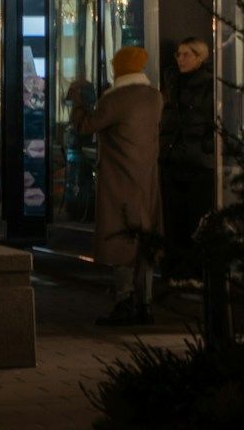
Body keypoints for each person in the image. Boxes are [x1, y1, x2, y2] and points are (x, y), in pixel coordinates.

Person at [71, 45, 163, 325]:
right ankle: (145, 300)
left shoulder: (118, 98)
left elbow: (86, 125)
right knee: (144, 238)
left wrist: (77, 100)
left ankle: (125, 301)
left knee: (121, 238)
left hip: (120, 179)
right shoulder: (154, 97)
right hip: (146, 178)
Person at [158, 37, 215, 287]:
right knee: (174, 218)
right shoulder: (172, 84)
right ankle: (179, 269)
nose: (181, 59)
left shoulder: (208, 86)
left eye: (186, 54)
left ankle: (193, 269)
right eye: (179, 54)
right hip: (173, 159)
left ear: (199, 57)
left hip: (196, 162)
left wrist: (206, 147)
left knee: (195, 217)